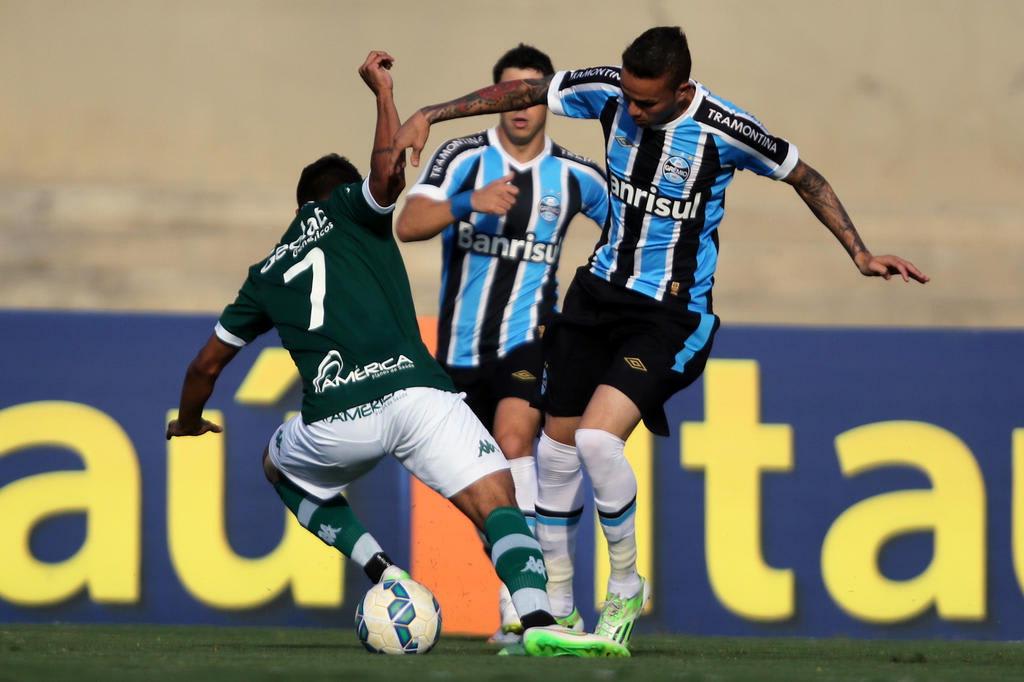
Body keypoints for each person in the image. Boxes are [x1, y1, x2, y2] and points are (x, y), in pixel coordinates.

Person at [391, 26, 930, 649]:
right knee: (557, 452)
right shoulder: (609, 91)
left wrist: (859, 253)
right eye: (630, 98)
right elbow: (523, 93)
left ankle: (624, 585)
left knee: (595, 441)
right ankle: (559, 607)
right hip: (596, 295)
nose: (634, 111)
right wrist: (430, 112)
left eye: (648, 103)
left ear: (682, 89)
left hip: (669, 314)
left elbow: (805, 176)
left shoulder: (726, 128)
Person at [164, 50, 628, 659]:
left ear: (298, 204)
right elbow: (387, 175)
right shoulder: (356, 211)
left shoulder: (267, 271)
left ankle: (384, 571)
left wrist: (192, 419)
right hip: (419, 396)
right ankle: (541, 616)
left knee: (279, 465)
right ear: (340, 195)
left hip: (339, 421)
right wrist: (384, 93)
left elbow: (206, 366)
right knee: (497, 504)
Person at [394, 43, 607, 642]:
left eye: (532, 94)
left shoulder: (574, 175)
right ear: (495, 98)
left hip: (529, 340)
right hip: (458, 354)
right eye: (510, 92)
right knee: (488, 491)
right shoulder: (463, 157)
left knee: (518, 441)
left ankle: (529, 610)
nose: (521, 106)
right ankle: (526, 596)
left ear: (546, 102)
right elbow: (407, 225)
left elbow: (631, 228)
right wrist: (469, 204)